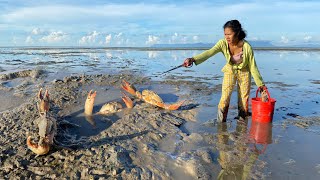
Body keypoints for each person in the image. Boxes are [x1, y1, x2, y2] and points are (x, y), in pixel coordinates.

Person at [183, 19, 267, 122]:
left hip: (244, 72)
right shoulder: (222, 43)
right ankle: (221, 122)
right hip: (230, 70)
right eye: (225, 34)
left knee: (244, 99)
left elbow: (253, 67)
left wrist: (261, 85)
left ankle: (242, 121)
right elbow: (209, 52)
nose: (227, 37)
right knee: (225, 97)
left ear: (237, 33)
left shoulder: (247, 47)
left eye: (229, 34)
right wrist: (193, 59)